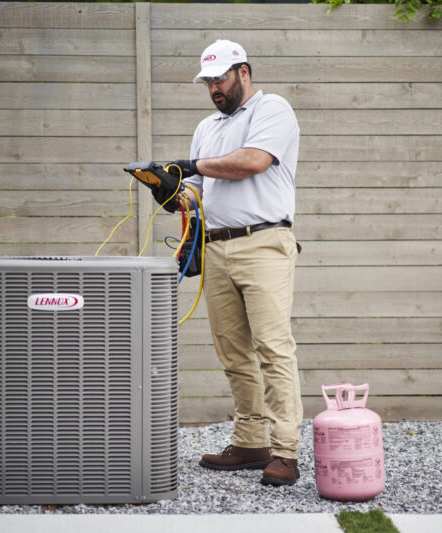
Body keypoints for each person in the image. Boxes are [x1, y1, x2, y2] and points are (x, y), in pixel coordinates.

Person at [167, 39, 302, 487]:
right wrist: (171, 191)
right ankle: (250, 442)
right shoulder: (206, 126)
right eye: (207, 82)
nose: (213, 89)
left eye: (219, 79)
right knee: (234, 353)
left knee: (273, 348)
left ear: (244, 71)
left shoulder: (273, 110)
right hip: (218, 246)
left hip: (264, 242)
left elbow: (252, 162)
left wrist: (190, 166)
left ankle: (286, 451)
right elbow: (200, 188)